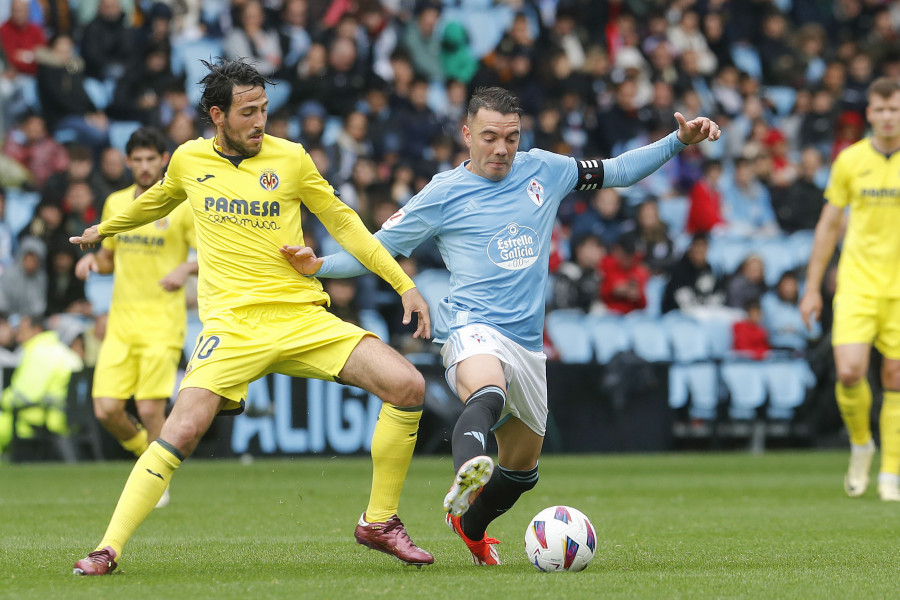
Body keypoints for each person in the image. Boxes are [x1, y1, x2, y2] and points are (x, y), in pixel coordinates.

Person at [282, 87, 720, 565]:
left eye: (511, 137)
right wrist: (319, 264)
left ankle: (469, 524)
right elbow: (377, 247)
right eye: (490, 137)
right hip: (472, 329)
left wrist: (676, 141)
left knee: (521, 472)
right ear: (467, 134)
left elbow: (616, 171)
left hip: (528, 345)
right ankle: (468, 465)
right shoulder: (444, 192)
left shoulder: (544, 170)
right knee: (485, 393)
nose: (501, 148)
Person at [69, 58, 434, 575]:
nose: (260, 121)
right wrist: (104, 229)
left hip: (301, 316)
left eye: (264, 109)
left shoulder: (292, 159)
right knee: (183, 428)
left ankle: (379, 521)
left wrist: (404, 284)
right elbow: (156, 202)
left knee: (409, 385)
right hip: (232, 326)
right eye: (248, 112)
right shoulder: (188, 160)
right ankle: (108, 549)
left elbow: (346, 225)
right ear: (217, 115)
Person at [73, 127, 197, 509]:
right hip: (122, 321)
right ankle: (147, 453)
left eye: (151, 159)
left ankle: (155, 481)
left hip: (163, 321)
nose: (144, 167)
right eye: (137, 160)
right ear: (128, 162)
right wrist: (93, 260)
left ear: (164, 161)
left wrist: (185, 269)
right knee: (107, 409)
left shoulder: (181, 204)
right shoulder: (114, 203)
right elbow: (111, 258)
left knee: (148, 408)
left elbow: (208, 252)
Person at [800, 77, 900, 502]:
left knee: (895, 375)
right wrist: (812, 287)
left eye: (894, 109)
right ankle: (862, 443)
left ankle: (891, 474)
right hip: (857, 283)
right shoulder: (850, 161)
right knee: (849, 372)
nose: (888, 117)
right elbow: (828, 225)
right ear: (869, 114)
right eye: (880, 109)